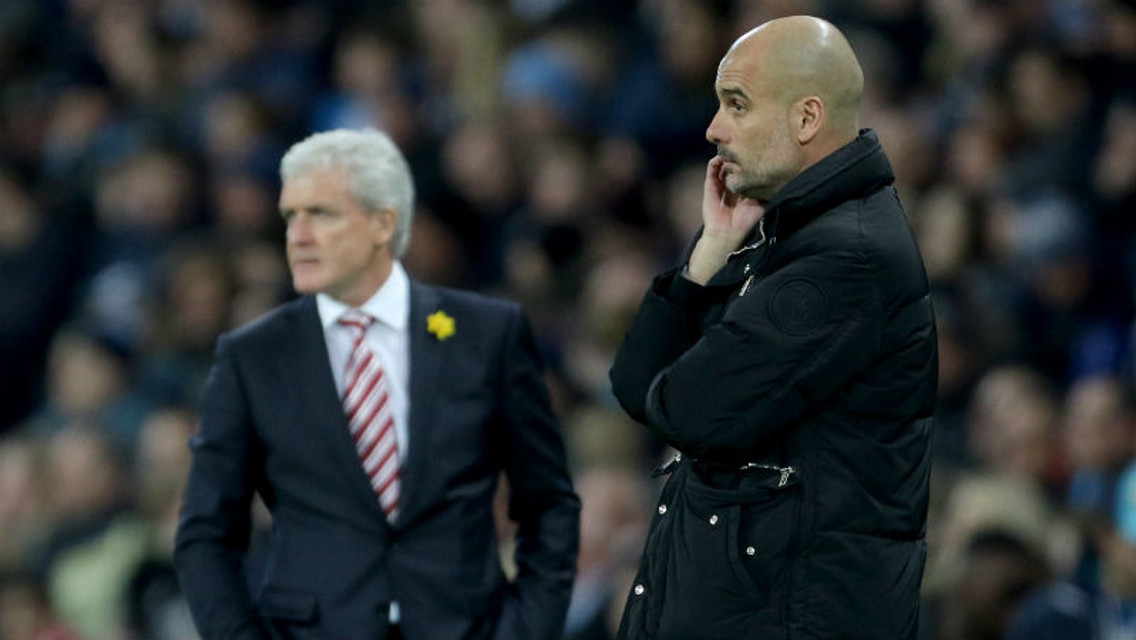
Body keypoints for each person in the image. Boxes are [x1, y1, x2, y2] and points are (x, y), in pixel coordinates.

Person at [174, 128, 580, 640]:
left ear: (384, 223)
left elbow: (549, 503)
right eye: (291, 216)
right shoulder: (254, 357)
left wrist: (525, 631)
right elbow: (206, 533)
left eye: (322, 214)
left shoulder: (487, 335)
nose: (299, 236)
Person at [609, 15, 937, 640]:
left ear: (806, 118)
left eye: (736, 104)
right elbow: (634, 386)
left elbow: (686, 410)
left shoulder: (845, 258)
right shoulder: (780, 230)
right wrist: (708, 254)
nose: (714, 129)